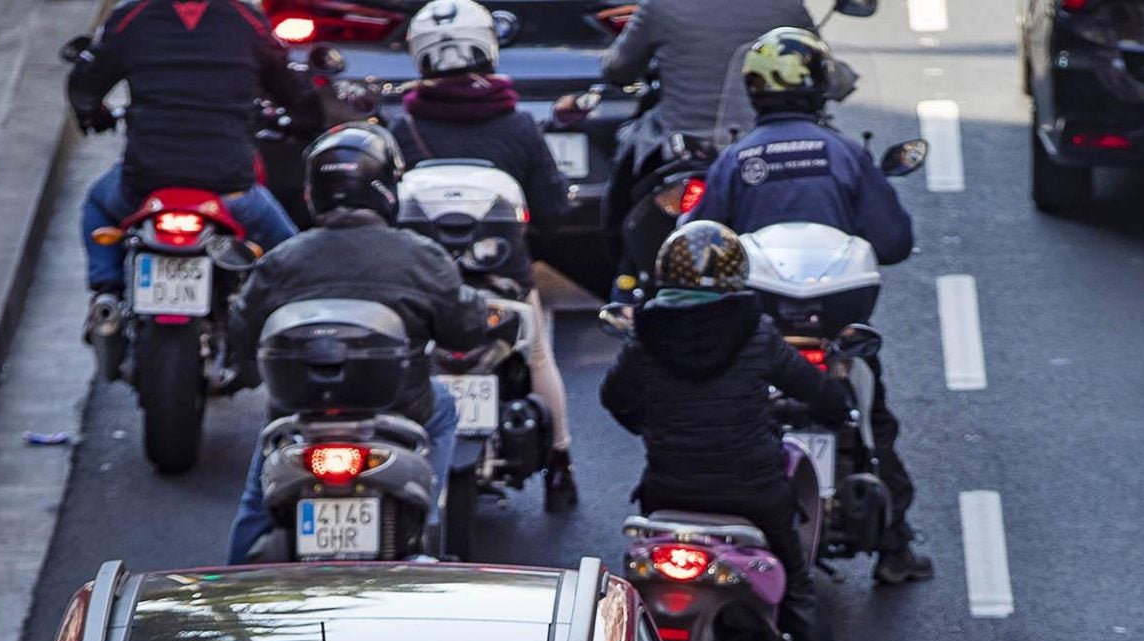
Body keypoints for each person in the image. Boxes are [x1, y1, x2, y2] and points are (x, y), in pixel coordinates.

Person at [602, 223, 867, 641]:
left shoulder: (648, 332)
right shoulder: (755, 330)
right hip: (753, 495)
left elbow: (615, 398)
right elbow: (814, 391)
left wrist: (650, 424)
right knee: (797, 593)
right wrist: (837, 401)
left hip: (667, 493)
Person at [696, 27, 932, 586]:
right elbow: (893, 240)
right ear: (818, 86)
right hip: (835, 330)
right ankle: (895, 548)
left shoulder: (736, 159)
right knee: (874, 427)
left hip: (757, 332)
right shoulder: (845, 153)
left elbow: (696, 243)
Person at [223, 125, 492, 563]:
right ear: (385, 188)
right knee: (443, 407)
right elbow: (464, 332)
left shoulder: (283, 259)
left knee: (257, 505)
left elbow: (241, 336)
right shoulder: (422, 256)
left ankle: (230, 594)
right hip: (403, 413)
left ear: (315, 193)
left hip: (299, 419)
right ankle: (425, 517)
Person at [389, 0, 579, 510]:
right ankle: (560, 462)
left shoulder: (403, 129)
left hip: (420, 281)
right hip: (504, 281)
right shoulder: (517, 126)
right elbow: (554, 209)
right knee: (538, 355)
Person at [67, 0, 312, 335]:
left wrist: (92, 113)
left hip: (145, 185)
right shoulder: (246, 20)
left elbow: (85, 81)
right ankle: (290, 324)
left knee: (98, 203)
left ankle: (106, 294)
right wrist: (303, 121)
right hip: (229, 187)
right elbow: (293, 87)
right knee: (294, 256)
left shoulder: (133, 16)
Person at [595, 0, 810, 257]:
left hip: (677, 150)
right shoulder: (786, 7)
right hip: (762, 148)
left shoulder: (660, 6)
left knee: (623, 205)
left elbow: (617, 68)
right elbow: (828, 73)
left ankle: (622, 274)